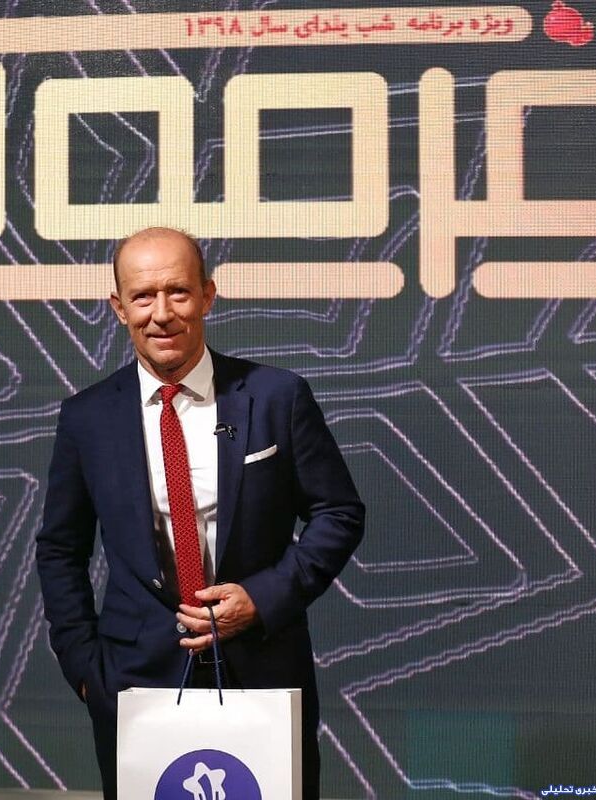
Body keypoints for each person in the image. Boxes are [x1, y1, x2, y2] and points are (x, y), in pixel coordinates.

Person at [35, 227, 365, 799]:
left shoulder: (277, 396)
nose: (161, 313)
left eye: (178, 292)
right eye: (143, 297)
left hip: (263, 671)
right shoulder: (86, 418)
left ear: (207, 296)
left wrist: (261, 598)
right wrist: (85, 669)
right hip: (135, 680)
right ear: (119, 308)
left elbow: (338, 512)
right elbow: (60, 549)